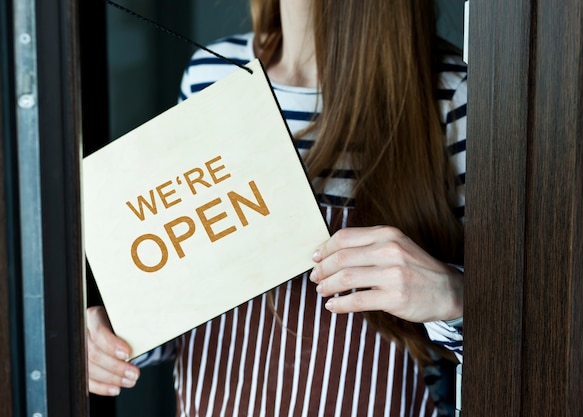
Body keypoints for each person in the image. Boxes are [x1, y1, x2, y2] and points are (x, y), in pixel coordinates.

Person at [86, 0, 466, 415]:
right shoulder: (212, 73)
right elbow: (185, 302)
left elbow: (520, 343)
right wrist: (113, 342)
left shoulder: (450, 91)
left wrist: (454, 296)